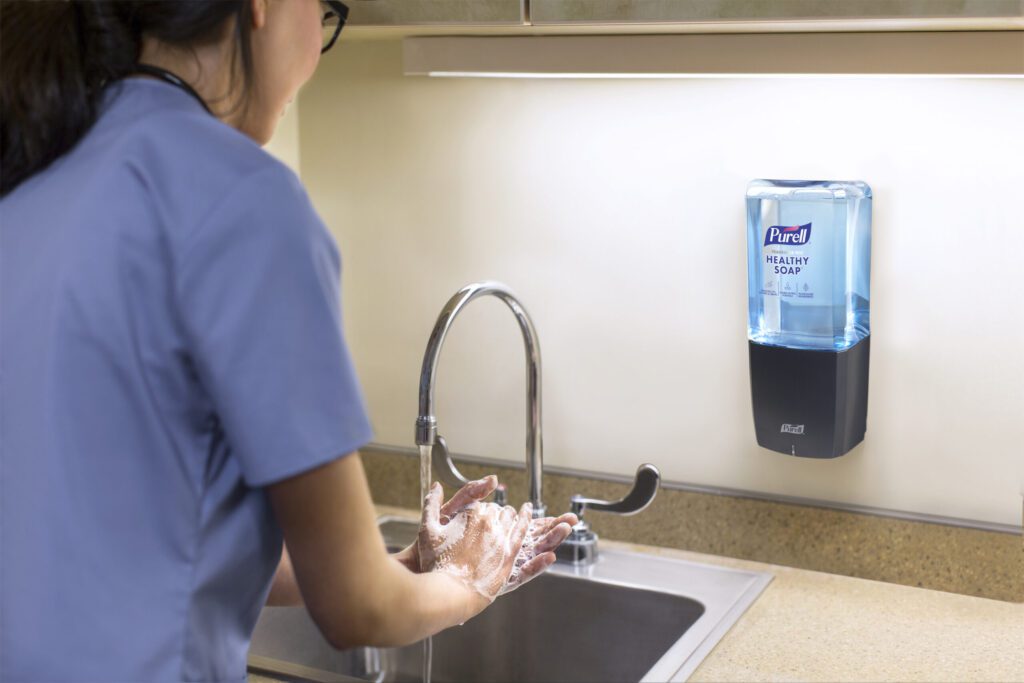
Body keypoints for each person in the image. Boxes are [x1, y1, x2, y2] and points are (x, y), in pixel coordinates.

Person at [0, 2, 576, 681]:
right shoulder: (245, 201)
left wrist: (387, 565)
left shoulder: (43, 172)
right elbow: (355, 611)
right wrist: (470, 581)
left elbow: (150, 528)